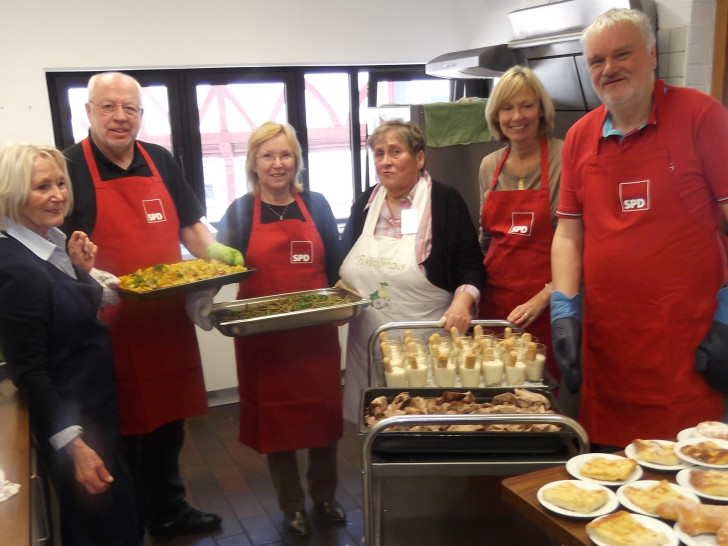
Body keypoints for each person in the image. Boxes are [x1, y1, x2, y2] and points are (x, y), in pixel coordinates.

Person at [62, 71, 243, 536]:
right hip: (107, 328)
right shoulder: (69, 169)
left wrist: (218, 254)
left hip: (166, 322)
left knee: (169, 425)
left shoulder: (159, 159)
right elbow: (54, 251)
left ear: (141, 115)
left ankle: (169, 509)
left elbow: (190, 228)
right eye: (107, 106)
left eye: (130, 108)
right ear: (87, 112)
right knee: (121, 431)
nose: (119, 117)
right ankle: (132, 518)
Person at [550, 8, 728, 449]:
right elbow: (569, 234)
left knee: (686, 496)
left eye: (622, 54)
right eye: (596, 61)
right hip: (609, 350)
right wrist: (564, 309)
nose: (609, 69)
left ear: (651, 55)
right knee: (608, 489)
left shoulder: (703, 117)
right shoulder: (579, 137)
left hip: (688, 350)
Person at [0, 142, 138, 545]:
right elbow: (31, 370)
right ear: (12, 194)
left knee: (118, 517)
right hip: (75, 427)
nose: (58, 194)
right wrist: (75, 447)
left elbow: (70, 315)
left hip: (96, 412)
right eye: (42, 186)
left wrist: (82, 273)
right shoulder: (13, 267)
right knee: (100, 530)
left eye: (61, 182)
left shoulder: (52, 245)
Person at [216, 122, 345, 537]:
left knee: (323, 418)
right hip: (264, 340)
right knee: (277, 425)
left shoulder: (317, 205)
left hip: (314, 335)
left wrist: (347, 299)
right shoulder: (238, 211)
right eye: (267, 155)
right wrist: (201, 305)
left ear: (297, 160)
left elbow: (338, 265)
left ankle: (324, 496)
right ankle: (292, 506)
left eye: (285, 155)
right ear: (253, 162)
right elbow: (216, 269)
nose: (277, 164)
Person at [339, 120, 486, 423]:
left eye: (395, 151)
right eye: (379, 154)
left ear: (419, 158)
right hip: (368, 345)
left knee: (427, 423)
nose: (385, 161)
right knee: (377, 424)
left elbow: (471, 264)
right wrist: (341, 290)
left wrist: (463, 302)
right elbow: (340, 265)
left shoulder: (445, 201)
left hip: (428, 344)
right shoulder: (365, 204)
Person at [478, 65, 563, 387]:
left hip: (547, 305)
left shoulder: (564, 156)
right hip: (494, 304)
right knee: (494, 397)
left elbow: (579, 241)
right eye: (507, 108)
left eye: (526, 106)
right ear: (496, 115)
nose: (517, 117)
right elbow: (485, 239)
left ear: (541, 109)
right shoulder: (488, 166)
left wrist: (546, 296)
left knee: (541, 400)